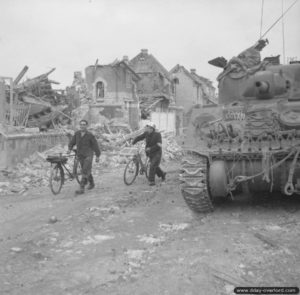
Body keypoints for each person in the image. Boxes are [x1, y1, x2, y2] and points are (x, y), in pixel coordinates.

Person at [68, 119, 100, 194]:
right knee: (86, 169)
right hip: (80, 155)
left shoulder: (90, 135)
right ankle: (92, 183)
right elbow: (72, 142)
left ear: (86, 126)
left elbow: (95, 146)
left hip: (89, 155)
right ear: (80, 125)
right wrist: (69, 149)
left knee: (85, 170)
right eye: (81, 124)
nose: (82, 126)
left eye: (84, 124)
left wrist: (98, 156)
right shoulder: (77, 134)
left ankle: (81, 188)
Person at [132, 122, 166, 186]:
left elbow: (159, 145)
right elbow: (140, 137)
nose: (147, 129)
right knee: (155, 166)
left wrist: (150, 148)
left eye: (148, 128)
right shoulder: (146, 133)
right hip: (150, 153)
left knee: (152, 165)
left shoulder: (157, 134)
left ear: (152, 129)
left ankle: (151, 181)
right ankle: (162, 174)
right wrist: (134, 141)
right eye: (147, 128)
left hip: (157, 153)